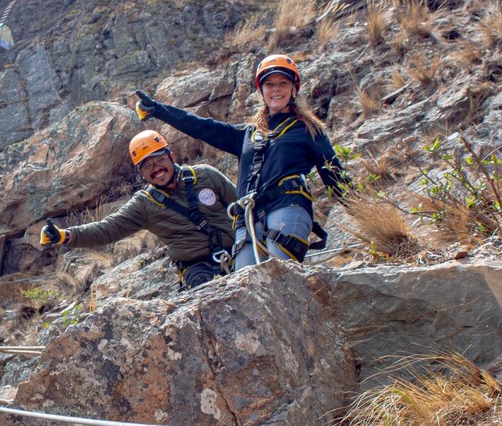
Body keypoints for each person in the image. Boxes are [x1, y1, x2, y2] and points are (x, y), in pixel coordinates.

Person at [135, 54, 350, 267]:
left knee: (279, 266)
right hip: (248, 218)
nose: (276, 89)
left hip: (287, 205)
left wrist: (367, 215)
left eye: (283, 83)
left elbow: (334, 177)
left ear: (294, 89)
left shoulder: (309, 130)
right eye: (270, 84)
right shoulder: (245, 135)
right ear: (262, 90)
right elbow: (201, 127)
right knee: (246, 278)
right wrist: (161, 111)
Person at [40, 130, 236, 289]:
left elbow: (242, 205)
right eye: (147, 165)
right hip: (197, 267)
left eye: (159, 159)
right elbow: (107, 230)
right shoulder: (144, 204)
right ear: (141, 173)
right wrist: (64, 236)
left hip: (238, 249)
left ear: (171, 155)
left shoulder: (205, 175)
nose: (156, 168)